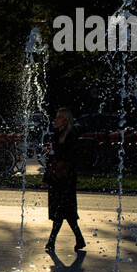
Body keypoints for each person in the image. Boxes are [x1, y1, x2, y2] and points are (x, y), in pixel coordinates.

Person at [44, 107, 86, 252]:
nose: (55, 120)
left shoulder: (71, 135)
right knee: (64, 212)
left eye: (58, 117)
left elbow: (72, 157)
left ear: (65, 120)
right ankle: (79, 239)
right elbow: (53, 154)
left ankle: (51, 242)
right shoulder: (57, 134)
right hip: (56, 178)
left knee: (62, 211)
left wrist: (60, 163)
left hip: (65, 179)